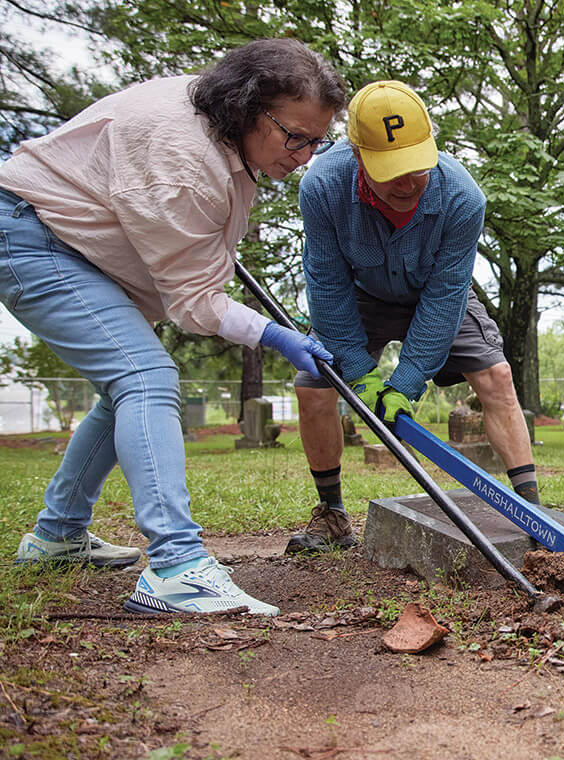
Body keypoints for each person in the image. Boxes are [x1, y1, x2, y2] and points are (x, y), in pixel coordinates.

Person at [0, 39, 347, 614]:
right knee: (145, 376)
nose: (307, 156)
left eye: (318, 140)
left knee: (125, 391)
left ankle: (57, 536)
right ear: (248, 108)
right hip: (33, 235)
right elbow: (194, 302)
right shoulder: (182, 161)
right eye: (296, 137)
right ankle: (177, 568)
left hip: (79, 246)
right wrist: (279, 337)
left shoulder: (222, 133)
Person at [286, 80, 541, 553]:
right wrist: (358, 371)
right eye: (391, 171)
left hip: (435, 292)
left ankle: (534, 511)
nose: (407, 184)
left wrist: (405, 380)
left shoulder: (464, 199)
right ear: (358, 154)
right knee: (312, 386)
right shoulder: (322, 186)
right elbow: (326, 282)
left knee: (497, 375)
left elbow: (447, 297)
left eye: (417, 168)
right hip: (360, 295)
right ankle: (333, 514)